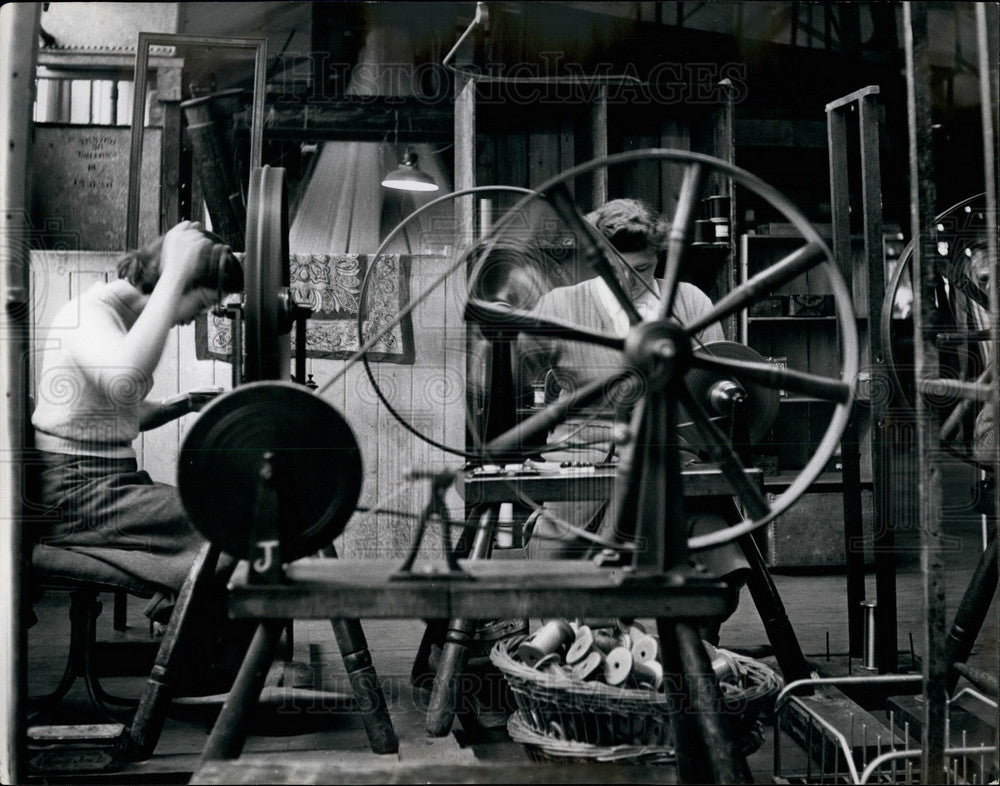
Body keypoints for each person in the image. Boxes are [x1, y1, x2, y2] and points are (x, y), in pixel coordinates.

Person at [515, 198, 750, 641]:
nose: (626, 279)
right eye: (611, 265)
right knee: (561, 574)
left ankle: (687, 652)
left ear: (659, 258)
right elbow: (530, 377)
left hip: (671, 453)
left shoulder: (691, 302)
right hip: (585, 457)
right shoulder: (558, 306)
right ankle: (589, 653)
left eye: (641, 268)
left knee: (707, 559)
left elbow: (716, 387)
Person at [30, 220, 239, 619]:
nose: (195, 318)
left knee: (223, 518)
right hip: (77, 492)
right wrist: (176, 272)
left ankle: (187, 618)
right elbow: (127, 382)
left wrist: (183, 403)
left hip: (101, 484)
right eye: (200, 305)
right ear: (176, 281)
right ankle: (192, 644)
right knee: (224, 525)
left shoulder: (115, 318)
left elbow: (108, 417)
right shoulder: (87, 314)